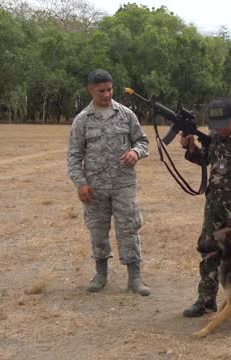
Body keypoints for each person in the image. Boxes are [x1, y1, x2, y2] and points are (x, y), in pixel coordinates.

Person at [67, 69, 151, 296]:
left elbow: (143, 141)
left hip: (124, 184)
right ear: (90, 90)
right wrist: (80, 183)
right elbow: (74, 156)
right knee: (98, 230)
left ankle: (135, 277)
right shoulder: (82, 120)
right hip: (95, 187)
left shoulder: (126, 115)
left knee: (129, 228)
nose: (106, 94)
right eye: (101, 91)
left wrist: (136, 152)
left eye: (109, 89)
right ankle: (100, 274)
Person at [180, 97, 231, 317]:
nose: (218, 130)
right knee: (207, 250)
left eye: (223, 125)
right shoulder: (215, 136)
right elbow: (206, 160)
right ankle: (206, 301)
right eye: (214, 126)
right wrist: (191, 148)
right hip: (214, 204)